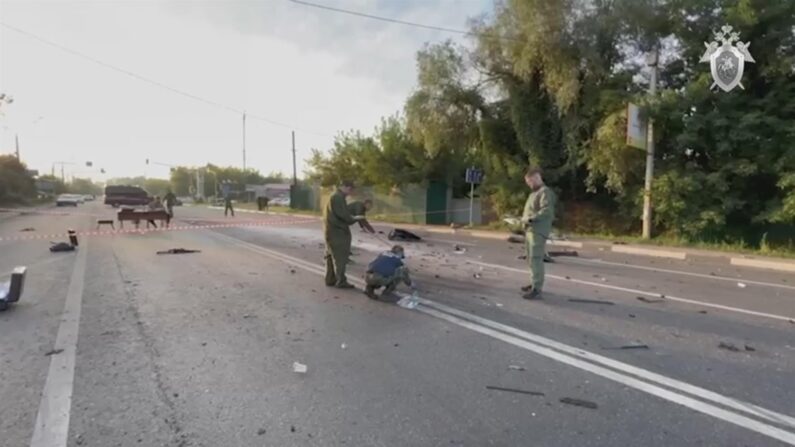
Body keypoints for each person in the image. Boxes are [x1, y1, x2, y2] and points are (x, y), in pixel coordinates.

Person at [520, 167, 556, 300]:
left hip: (538, 231)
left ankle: (537, 289)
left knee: (536, 259)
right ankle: (533, 282)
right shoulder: (533, 194)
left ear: (536, 178)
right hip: (530, 230)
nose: (529, 184)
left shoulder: (545, 192)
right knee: (530, 258)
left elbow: (546, 211)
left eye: (529, 181)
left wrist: (531, 219)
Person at [323, 180, 365, 289]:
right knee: (340, 257)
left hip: (330, 230)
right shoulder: (338, 197)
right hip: (338, 232)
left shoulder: (333, 196)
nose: (350, 192)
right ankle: (341, 281)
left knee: (331, 255)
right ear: (344, 187)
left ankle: (330, 279)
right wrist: (355, 218)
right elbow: (343, 215)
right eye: (350, 189)